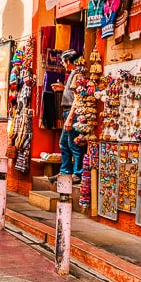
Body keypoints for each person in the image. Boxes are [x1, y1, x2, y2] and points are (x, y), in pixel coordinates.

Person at [50, 49, 85, 184]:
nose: (63, 64)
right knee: (64, 143)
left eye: (64, 61)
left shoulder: (77, 74)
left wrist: (70, 117)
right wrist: (62, 88)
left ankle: (78, 173)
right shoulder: (72, 74)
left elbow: (77, 98)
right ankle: (65, 171)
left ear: (69, 61)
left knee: (74, 144)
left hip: (73, 113)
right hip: (69, 112)